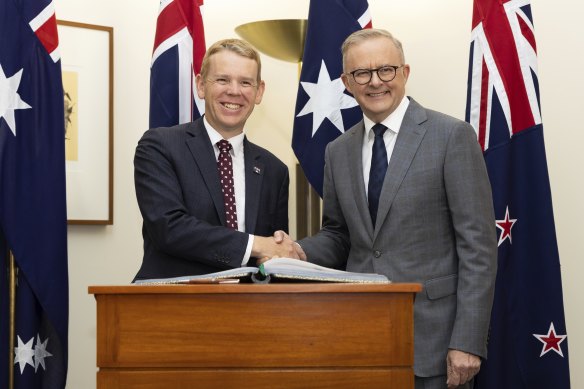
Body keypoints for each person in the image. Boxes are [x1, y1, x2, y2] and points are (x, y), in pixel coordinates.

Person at [278, 29, 497, 389]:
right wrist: (296, 251)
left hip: (436, 341)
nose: (375, 82)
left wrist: (467, 341)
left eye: (386, 70)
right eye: (362, 73)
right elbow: (338, 235)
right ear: (347, 82)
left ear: (405, 72)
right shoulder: (337, 150)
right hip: (360, 336)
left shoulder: (451, 136)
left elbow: (479, 248)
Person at [133, 38, 301, 282]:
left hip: (248, 308)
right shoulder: (159, 146)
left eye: (245, 82)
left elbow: (272, 250)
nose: (234, 91)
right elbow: (169, 228)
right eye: (222, 80)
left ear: (259, 91)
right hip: (172, 303)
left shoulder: (274, 170)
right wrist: (256, 245)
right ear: (201, 85)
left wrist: (274, 256)